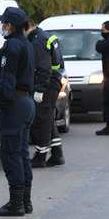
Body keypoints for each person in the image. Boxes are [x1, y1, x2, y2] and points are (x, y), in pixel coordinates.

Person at [0, 7, 35, 217]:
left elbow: (7, 80)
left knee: (11, 155)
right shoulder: (26, 44)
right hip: (27, 102)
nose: (1, 26)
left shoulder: (12, 46)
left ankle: (16, 204)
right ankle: (26, 201)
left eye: (3, 23)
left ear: (10, 25)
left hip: (15, 104)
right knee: (21, 153)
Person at [26, 19, 65, 168]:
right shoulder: (43, 36)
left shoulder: (37, 41)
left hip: (46, 84)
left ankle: (40, 156)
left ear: (27, 27)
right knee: (47, 119)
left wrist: (39, 90)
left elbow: (43, 68)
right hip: (52, 81)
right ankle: (57, 154)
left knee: (40, 121)